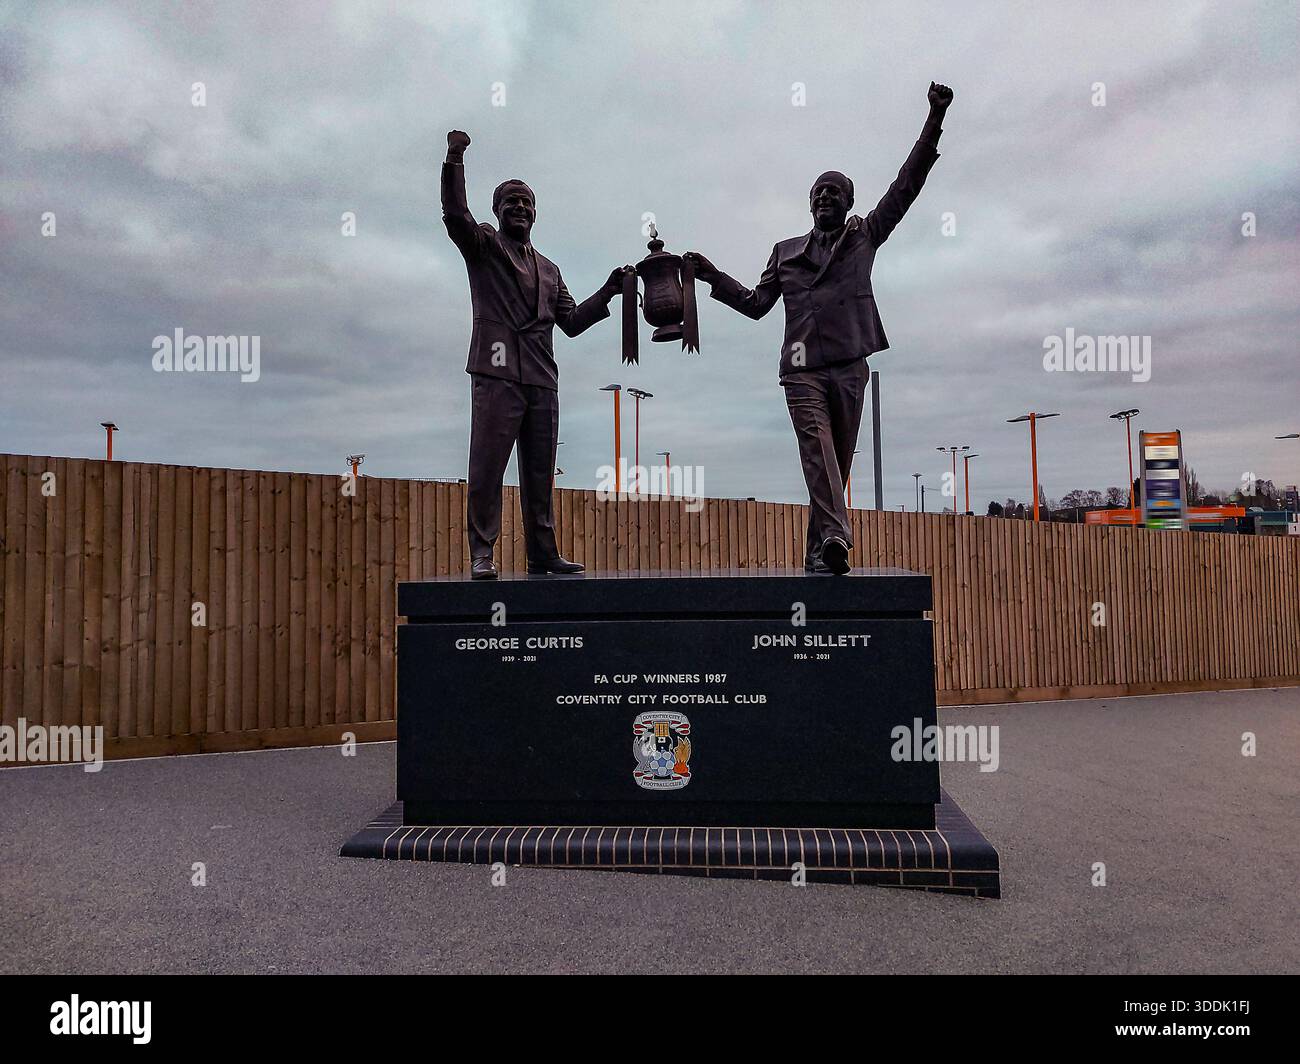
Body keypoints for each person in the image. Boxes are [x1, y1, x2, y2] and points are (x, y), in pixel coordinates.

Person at [685, 82, 954, 574]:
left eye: (835, 191)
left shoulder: (865, 236)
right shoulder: (785, 253)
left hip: (851, 367)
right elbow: (755, 304)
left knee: (835, 468)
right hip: (802, 371)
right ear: (809, 204)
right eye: (818, 191)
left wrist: (934, 119)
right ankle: (836, 535)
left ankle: (819, 557)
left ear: (850, 203)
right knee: (819, 450)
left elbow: (906, 185)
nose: (825, 196)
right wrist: (711, 275)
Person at [442, 129, 628, 579]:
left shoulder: (550, 270)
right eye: (511, 202)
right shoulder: (484, 246)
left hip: (543, 378)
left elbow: (573, 322)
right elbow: (455, 214)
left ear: (536, 213)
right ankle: (482, 552)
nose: (520, 208)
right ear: (497, 212)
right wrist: (454, 158)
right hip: (498, 370)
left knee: (540, 474)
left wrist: (611, 288)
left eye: (526, 202)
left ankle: (542, 553)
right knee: (487, 465)